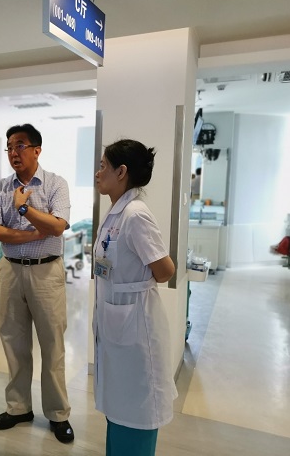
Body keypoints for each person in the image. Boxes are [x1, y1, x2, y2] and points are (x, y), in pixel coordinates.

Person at [0, 123, 74, 443]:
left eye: (20, 145)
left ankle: (58, 414)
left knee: (52, 345)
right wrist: (36, 231)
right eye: (9, 146)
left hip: (46, 272)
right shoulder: (0, 187)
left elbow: (58, 226)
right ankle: (19, 407)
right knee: (14, 342)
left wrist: (24, 208)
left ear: (37, 150)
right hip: (10, 270)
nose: (13, 152)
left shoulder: (55, 184)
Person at [92, 139, 176, 456]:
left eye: (103, 165)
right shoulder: (117, 212)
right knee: (120, 411)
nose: (98, 172)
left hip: (135, 328)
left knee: (136, 413)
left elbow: (165, 270)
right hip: (118, 326)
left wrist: (133, 285)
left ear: (121, 172)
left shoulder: (135, 214)